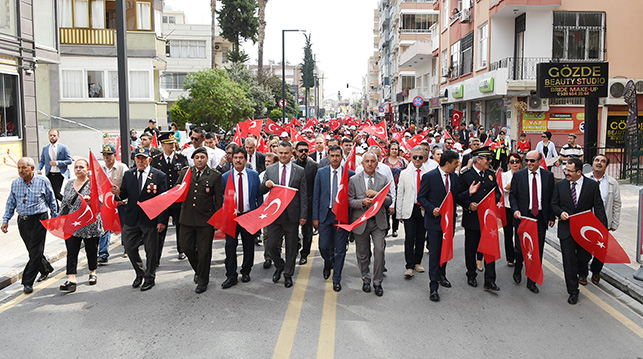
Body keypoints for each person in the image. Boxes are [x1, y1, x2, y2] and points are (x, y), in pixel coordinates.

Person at [551, 158, 607, 305]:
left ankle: (581, 269)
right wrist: (560, 212)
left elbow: (599, 207)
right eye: (566, 170)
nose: (566, 173)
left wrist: (603, 229)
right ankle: (573, 290)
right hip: (566, 229)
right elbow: (554, 204)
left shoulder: (592, 186)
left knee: (584, 257)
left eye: (569, 171)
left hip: (585, 231)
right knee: (568, 262)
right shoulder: (560, 185)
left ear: (579, 172)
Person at [111, 147, 168, 291]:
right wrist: (117, 193)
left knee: (151, 250)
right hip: (132, 218)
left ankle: (150, 278)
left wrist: (162, 220)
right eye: (138, 158)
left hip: (150, 218)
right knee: (129, 247)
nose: (140, 161)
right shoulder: (129, 174)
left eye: (143, 158)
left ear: (149, 159)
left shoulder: (159, 176)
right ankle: (140, 272)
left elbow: (164, 200)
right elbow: (123, 194)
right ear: (134, 159)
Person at [2, 157, 57, 294]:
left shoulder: (43, 181)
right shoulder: (15, 183)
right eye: (19, 168)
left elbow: (52, 200)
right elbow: (11, 202)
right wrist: (6, 220)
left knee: (35, 251)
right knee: (32, 250)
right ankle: (45, 268)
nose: (21, 171)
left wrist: (55, 217)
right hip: (23, 221)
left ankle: (27, 282)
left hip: (39, 219)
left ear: (32, 168)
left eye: (24, 168)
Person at [260, 141, 308, 288]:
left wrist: (303, 215)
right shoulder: (271, 169)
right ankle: (279, 265)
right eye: (280, 153)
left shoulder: (299, 171)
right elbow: (261, 190)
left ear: (291, 153)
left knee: (291, 247)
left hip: (292, 216)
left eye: (286, 153)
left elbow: (304, 195)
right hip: (274, 215)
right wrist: (265, 185)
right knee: (272, 245)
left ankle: (288, 274)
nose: (283, 155)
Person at [176, 148, 222, 293]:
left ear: (207, 159)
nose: (200, 160)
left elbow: (219, 201)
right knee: (186, 247)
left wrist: (216, 220)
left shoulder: (215, 176)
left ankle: (203, 280)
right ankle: (199, 269)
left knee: (204, 252)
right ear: (193, 159)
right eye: (197, 157)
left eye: (202, 157)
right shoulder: (185, 172)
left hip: (205, 220)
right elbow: (177, 190)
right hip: (187, 218)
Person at [510, 151, 556, 294]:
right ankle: (518, 268)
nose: (529, 163)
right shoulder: (519, 176)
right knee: (520, 248)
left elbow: (552, 198)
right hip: (523, 217)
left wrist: (551, 217)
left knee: (537, 250)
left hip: (540, 218)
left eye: (532, 161)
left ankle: (532, 280)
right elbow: (513, 195)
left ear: (540, 161)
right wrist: (515, 210)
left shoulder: (548, 176)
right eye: (527, 160)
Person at [418, 150, 461, 302]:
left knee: (446, 249)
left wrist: (469, 193)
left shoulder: (454, 178)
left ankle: (442, 275)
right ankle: (433, 285)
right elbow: (421, 197)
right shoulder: (429, 177)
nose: (457, 166)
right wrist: (431, 209)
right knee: (435, 254)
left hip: (449, 223)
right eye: (456, 163)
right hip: (434, 222)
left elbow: (458, 197)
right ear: (448, 163)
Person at [457, 146, 501, 291]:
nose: (490, 161)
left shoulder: (491, 174)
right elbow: (457, 196)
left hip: (488, 219)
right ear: (479, 160)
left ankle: (490, 280)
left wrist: (492, 201)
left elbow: (497, 193)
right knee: (471, 248)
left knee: (489, 249)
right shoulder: (465, 175)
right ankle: (471, 274)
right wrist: (469, 205)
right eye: (487, 159)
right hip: (473, 218)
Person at [349, 152, 392, 297]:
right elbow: (349, 201)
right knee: (362, 253)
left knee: (379, 250)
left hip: (378, 222)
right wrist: (362, 202)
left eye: (372, 161)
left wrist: (377, 195)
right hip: (361, 221)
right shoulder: (354, 180)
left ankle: (377, 282)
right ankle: (366, 279)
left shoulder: (383, 178)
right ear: (362, 164)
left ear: (377, 163)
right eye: (367, 161)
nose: (369, 164)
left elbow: (389, 200)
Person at [312, 145, 354, 292]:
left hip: (342, 217)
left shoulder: (349, 174)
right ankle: (328, 263)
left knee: (340, 249)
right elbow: (316, 196)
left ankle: (337, 278)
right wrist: (315, 217)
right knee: (324, 247)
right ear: (328, 157)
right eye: (332, 155)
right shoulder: (321, 173)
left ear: (342, 156)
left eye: (337, 155)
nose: (335, 158)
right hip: (325, 215)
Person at [58, 159, 103, 293]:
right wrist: (60, 218)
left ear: (87, 169)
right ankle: (71, 278)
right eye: (76, 167)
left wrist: (92, 200)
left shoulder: (93, 184)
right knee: (72, 251)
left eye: (81, 167)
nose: (78, 169)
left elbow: (100, 204)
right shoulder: (69, 184)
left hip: (90, 223)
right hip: (72, 223)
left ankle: (92, 271)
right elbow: (65, 203)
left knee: (91, 249)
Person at [220, 147, 261, 289]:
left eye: (241, 158)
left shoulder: (254, 175)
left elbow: (258, 196)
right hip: (232, 217)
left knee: (248, 245)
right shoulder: (225, 177)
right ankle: (231, 275)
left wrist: (259, 216)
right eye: (235, 157)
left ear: (245, 159)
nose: (238, 160)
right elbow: (221, 199)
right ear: (232, 159)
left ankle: (246, 271)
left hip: (249, 215)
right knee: (230, 246)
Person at [151, 132, 189, 263]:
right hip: (163, 200)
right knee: (160, 228)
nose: (172, 145)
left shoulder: (181, 158)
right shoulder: (156, 161)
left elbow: (185, 178)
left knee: (180, 226)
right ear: (162, 145)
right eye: (169, 143)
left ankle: (181, 250)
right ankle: (156, 257)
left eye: (173, 143)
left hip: (178, 200)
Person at [584, 154, 621, 285]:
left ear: (606, 165)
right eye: (597, 160)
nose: (599, 163)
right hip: (586, 222)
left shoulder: (612, 183)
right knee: (584, 251)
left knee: (601, 251)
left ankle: (595, 272)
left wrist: (614, 223)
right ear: (592, 162)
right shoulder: (584, 179)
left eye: (602, 161)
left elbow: (616, 204)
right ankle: (582, 274)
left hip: (603, 222)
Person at [397, 146, 429, 278]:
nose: (417, 159)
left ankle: (418, 262)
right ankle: (409, 265)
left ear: (424, 158)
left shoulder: (428, 172)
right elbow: (401, 194)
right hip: (409, 209)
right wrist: (399, 213)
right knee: (410, 238)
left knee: (421, 237)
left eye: (420, 157)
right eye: (414, 157)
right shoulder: (405, 173)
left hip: (423, 209)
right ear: (410, 157)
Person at [97, 144, 128, 264]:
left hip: (120, 201)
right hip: (106, 203)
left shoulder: (122, 167)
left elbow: (127, 185)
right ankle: (103, 254)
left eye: (109, 155)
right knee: (105, 228)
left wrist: (125, 199)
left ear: (115, 155)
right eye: (104, 155)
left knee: (124, 226)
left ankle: (127, 248)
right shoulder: (101, 169)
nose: (106, 157)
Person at [294, 141, 318, 265]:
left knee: (307, 231)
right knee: (292, 230)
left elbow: (316, 187)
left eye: (306, 151)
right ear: (296, 152)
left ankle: (305, 253)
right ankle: (296, 246)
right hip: (294, 203)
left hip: (308, 204)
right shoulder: (292, 165)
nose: (304, 153)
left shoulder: (314, 166)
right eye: (301, 150)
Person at [37, 129, 73, 201]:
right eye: (51, 135)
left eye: (54, 135)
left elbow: (69, 161)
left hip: (59, 174)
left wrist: (57, 163)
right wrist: (39, 169)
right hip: (49, 174)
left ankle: (68, 204)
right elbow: (42, 161)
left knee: (56, 193)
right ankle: (56, 210)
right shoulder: (45, 148)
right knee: (51, 194)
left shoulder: (63, 148)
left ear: (58, 137)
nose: (52, 137)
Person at [501, 153, 522, 268]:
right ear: (508, 163)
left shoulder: (524, 175)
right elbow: (504, 189)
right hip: (507, 207)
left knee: (519, 233)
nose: (514, 164)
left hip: (520, 208)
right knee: (508, 234)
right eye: (512, 162)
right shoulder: (504, 175)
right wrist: (514, 180)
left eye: (517, 161)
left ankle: (519, 257)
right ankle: (510, 257)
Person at [382, 140, 407, 237]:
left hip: (399, 188)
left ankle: (395, 229)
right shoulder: (384, 161)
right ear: (389, 150)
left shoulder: (403, 161)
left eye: (396, 149)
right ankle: (387, 227)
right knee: (386, 208)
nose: (394, 151)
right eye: (392, 149)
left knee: (395, 209)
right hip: (386, 189)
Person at [259, 152, 277, 264]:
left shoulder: (279, 174)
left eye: (269, 161)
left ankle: (276, 256)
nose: (266, 163)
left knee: (278, 236)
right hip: (265, 210)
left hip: (278, 209)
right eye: (265, 161)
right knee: (266, 235)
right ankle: (268, 257)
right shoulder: (261, 175)